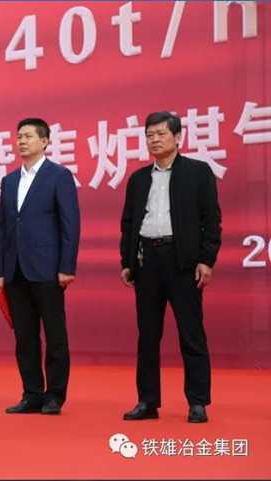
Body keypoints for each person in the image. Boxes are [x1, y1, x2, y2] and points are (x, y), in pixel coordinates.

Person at [120, 111, 222, 423]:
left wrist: (206, 260)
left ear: (178, 137)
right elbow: (128, 223)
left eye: (161, 134)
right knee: (147, 335)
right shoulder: (138, 179)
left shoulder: (198, 172)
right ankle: (147, 401)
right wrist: (127, 262)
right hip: (147, 261)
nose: (154, 140)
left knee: (191, 333)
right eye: (149, 135)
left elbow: (211, 221)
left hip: (183, 261)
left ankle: (198, 401)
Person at [0, 118, 80, 416]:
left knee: (55, 334)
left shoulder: (59, 176)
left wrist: (66, 266)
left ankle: (54, 394)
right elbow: (3, 228)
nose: (21, 141)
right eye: (19, 136)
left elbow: (70, 224)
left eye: (28, 136)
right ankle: (31, 393)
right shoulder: (9, 181)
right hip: (16, 269)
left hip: (48, 268)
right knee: (25, 335)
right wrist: (0, 271)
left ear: (45, 141)